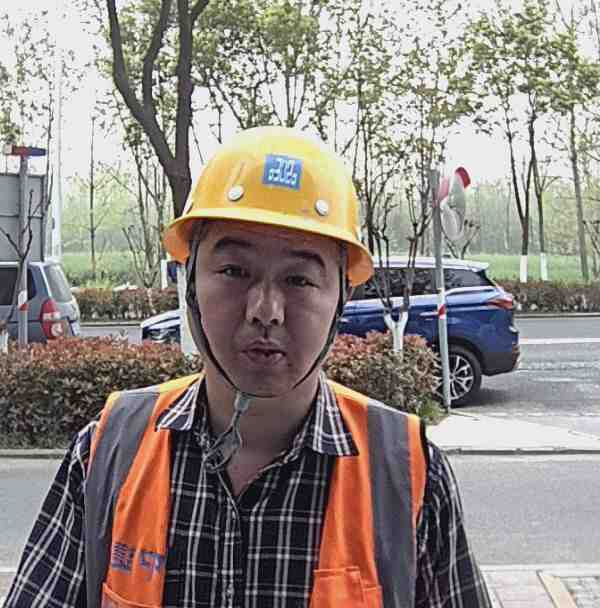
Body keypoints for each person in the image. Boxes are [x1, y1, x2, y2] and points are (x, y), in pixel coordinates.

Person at [4, 126, 491, 608]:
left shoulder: (406, 475)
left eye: (299, 279)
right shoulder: (109, 452)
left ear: (342, 297)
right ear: (190, 284)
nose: (265, 310)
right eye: (234, 271)